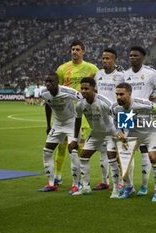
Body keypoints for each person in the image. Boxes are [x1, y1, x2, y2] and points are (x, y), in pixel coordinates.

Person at [54, 39, 99, 186]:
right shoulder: (62, 69)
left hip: (84, 111)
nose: (75, 52)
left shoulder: (92, 69)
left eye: (78, 49)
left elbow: (97, 87)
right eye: (73, 49)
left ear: (83, 51)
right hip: (66, 111)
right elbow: (57, 90)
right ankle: (57, 175)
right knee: (62, 145)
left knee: (80, 146)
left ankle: (80, 177)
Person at [69, 78, 121, 198]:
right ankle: (86, 187)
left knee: (112, 159)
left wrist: (120, 132)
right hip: (96, 134)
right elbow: (78, 121)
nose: (83, 91)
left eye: (86, 88)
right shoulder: (81, 104)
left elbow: (118, 113)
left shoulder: (104, 102)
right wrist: (75, 140)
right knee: (84, 157)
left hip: (110, 133)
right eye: (82, 88)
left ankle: (117, 188)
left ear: (94, 88)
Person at [111, 82, 156, 202]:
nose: (118, 97)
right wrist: (119, 131)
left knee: (153, 157)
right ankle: (129, 187)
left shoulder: (142, 103)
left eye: (121, 94)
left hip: (150, 132)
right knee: (121, 157)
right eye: (117, 94)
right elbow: (116, 121)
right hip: (134, 133)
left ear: (129, 94)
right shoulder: (115, 107)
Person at [123, 46, 156, 196]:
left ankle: (144, 186)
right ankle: (128, 186)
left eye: (136, 55)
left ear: (143, 57)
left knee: (146, 151)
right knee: (126, 152)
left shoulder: (151, 74)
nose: (132, 58)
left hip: (144, 114)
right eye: (131, 55)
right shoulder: (124, 74)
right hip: (126, 114)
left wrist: (151, 104)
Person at [38, 73, 83, 194]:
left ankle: (76, 184)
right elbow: (47, 105)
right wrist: (48, 124)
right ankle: (51, 183)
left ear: (57, 82)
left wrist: (80, 120)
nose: (48, 84)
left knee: (73, 151)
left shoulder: (69, 92)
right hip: (57, 124)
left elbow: (83, 100)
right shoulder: (44, 93)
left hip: (71, 123)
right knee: (47, 151)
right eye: (46, 81)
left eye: (51, 81)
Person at [94, 48, 125, 190]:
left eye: (108, 58)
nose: (105, 61)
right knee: (103, 150)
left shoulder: (121, 76)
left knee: (120, 151)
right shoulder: (97, 74)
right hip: (101, 118)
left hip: (118, 117)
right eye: (103, 58)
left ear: (114, 60)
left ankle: (123, 182)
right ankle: (105, 181)